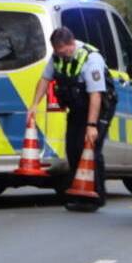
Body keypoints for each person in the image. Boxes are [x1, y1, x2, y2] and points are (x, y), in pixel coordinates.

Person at [30, 26, 114, 211]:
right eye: (58, 52)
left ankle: (96, 195)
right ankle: (78, 192)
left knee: (91, 146)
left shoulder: (91, 59)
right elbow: (45, 79)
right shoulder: (57, 57)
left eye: (64, 51)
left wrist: (92, 125)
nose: (62, 56)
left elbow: (96, 96)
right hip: (77, 108)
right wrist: (34, 105)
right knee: (73, 147)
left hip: (99, 107)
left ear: (71, 43)